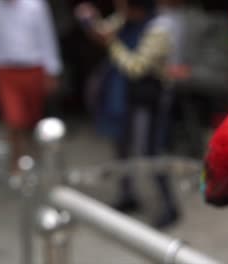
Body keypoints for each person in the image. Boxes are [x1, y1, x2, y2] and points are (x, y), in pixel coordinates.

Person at [75, 0, 180, 228]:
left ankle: (170, 206)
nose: (118, 8)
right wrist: (89, 21)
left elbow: (136, 67)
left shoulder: (159, 29)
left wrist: (111, 43)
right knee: (122, 146)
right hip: (124, 95)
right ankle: (128, 195)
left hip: (148, 99)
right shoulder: (126, 17)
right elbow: (103, 31)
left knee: (150, 151)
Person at [0, 0, 62, 184]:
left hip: (34, 68)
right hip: (6, 69)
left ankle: (35, 161)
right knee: (13, 119)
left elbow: (46, 37)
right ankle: (17, 164)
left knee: (33, 121)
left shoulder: (36, 5)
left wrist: (52, 69)